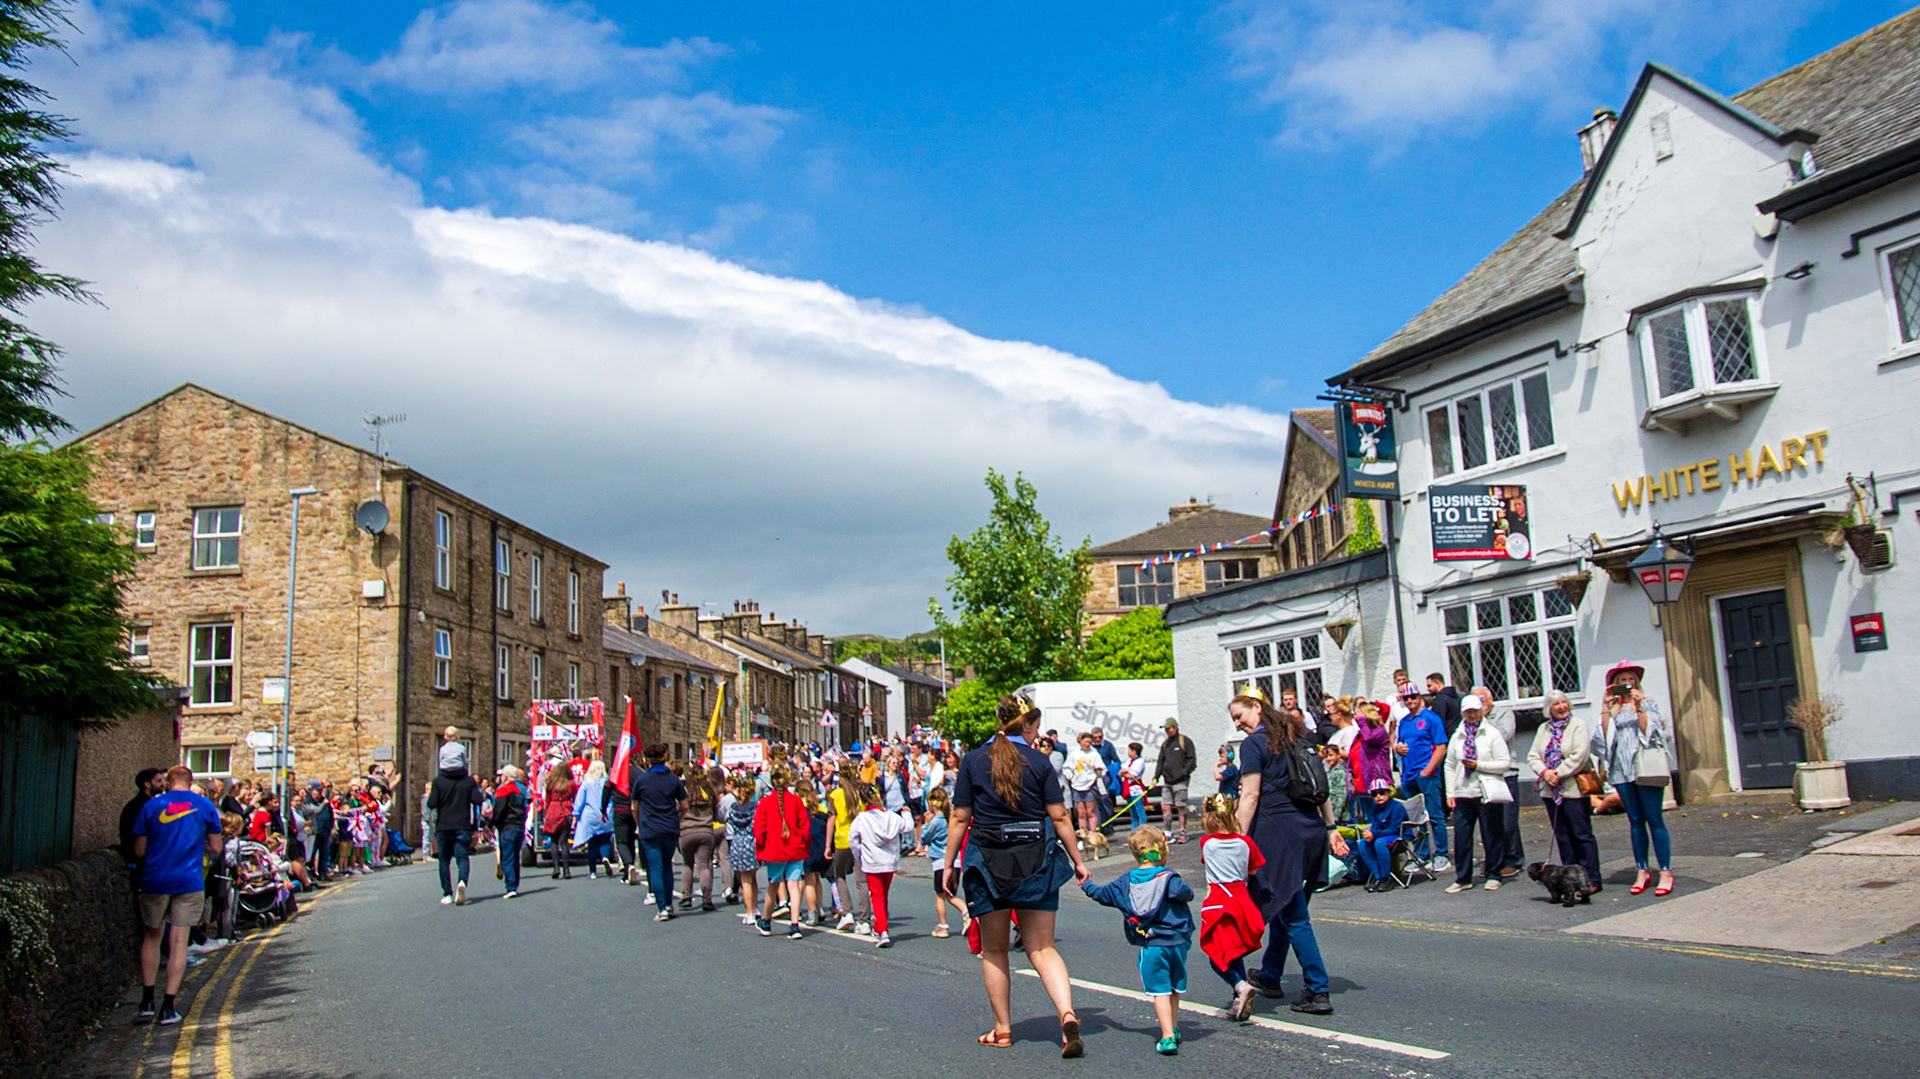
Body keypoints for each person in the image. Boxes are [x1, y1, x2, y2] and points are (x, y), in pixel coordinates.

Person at [942, 694, 1090, 1056]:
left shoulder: (975, 760)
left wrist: (948, 865)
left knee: (994, 949)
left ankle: (1003, 1030)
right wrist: (1078, 859)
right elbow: (1059, 816)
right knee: (1042, 947)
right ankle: (1067, 1014)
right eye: (1035, 724)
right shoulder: (1039, 762)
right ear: (1025, 725)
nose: (1037, 731)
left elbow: (960, 816)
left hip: (987, 860)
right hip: (1035, 859)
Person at [1231, 685, 1345, 1015]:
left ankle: (1318, 989)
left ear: (1255, 707)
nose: (1238, 723)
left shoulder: (1254, 745)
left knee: (1294, 916)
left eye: (1239, 716)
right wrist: (1331, 828)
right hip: (1309, 832)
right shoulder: (1298, 736)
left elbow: (1250, 797)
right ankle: (1270, 975)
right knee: (1284, 905)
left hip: (1279, 836)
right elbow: (1319, 789)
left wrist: (1236, 840)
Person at [1080, 825, 1194, 1056]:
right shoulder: (1168, 878)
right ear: (1162, 852)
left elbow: (1102, 895)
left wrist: (1086, 884)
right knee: (1173, 987)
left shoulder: (1126, 883)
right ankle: (1172, 1024)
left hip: (1151, 943)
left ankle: (1167, 1036)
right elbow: (1187, 893)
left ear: (1135, 854)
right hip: (1177, 941)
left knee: (1159, 989)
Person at [132, 766, 222, 1025]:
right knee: (179, 941)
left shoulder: (152, 806)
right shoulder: (204, 806)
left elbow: (139, 851)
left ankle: (147, 1001)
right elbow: (215, 847)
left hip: (155, 878)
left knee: (152, 935)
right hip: (189, 879)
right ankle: (169, 1006)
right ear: (190, 781)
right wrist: (195, 845)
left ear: (168, 782)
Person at [1601, 660, 1676, 897]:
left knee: (1654, 819)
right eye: (1621, 681)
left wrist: (1639, 704)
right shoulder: (1613, 709)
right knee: (1635, 820)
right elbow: (1602, 736)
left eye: (1630, 679)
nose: (1626, 684)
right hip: (1622, 770)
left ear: (1636, 682)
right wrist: (1605, 706)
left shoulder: (1647, 703)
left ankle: (1665, 871)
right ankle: (1642, 869)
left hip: (1645, 767)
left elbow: (1650, 731)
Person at [1198, 794, 1264, 1023]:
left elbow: (1206, 862)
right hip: (1241, 899)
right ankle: (1239, 997)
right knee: (1232, 950)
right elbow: (1254, 870)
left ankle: (1240, 986)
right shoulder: (1246, 842)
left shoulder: (1206, 843)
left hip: (1218, 900)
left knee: (1217, 955)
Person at [1528, 691, 1602, 892]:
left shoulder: (1578, 725)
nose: (1561, 707)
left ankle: (1591, 879)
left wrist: (1557, 773)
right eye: (1556, 704)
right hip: (1551, 792)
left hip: (1573, 789)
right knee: (1562, 836)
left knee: (1582, 834)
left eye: (1564, 703)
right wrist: (1545, 772)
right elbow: (1533, 756)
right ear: (1549, 709)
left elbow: (1580, 755)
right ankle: (1570, 880)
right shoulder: (1544, 729)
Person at [1442, 695, 1511, 894]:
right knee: (1462, 837)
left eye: (1474, 711)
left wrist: (1480, 765)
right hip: (1464, 792)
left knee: (1491, 834)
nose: (1471, 715)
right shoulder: (1458, 735)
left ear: (1481, 711)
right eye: (1468, 711)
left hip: (1485, 791)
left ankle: (1493, 873)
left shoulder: (1491, 733)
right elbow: (1449, 764)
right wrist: (1450, 792)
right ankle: (1463, 877)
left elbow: (1504, 763)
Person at [848, 782, 912, 948]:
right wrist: (907, 815)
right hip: (889, 861)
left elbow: (853, 839)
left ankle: (882, 929)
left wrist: (859, 854)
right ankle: (880, 924)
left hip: (872, 862)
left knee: (876, 895)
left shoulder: (862, 819)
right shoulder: (891, 816)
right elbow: (908, 826)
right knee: (883, 894)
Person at [1393, 687, 1449, 872]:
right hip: (1409, 775)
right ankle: (1421, 854)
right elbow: (1401, 744)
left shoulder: (1431, 718)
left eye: (1412, 697)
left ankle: (1442, 853)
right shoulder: (1404, 722)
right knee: (1415, 818)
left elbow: (1441, 747)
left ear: (1419, 697)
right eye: (1406, 698)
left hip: (1426, 774)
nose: (1409, 701)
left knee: (1435, 814)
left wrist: (1428, 770)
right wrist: (1398, 749)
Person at [631, 743, 689, 919]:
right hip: (669, 826)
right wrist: (677, 818)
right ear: (665, 759)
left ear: (647, 760)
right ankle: (670, 905)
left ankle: (661, 907)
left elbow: (634, 807)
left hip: (649, 827)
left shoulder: (642, 780)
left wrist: (639, 824)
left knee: (655, 868)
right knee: (667, 867)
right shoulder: (673, 780)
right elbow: (685, 805)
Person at [1473, 684, 1526, 876]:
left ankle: (1513, 859)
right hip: (1484, 775)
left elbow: (1504, 736)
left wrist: (1483, 719)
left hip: (1506, 773)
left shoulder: (1504, 714)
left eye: (1482, 700)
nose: (1479, 705)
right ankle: (1494, 861)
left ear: (1491, 699)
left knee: (1507, 821)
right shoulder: (1472, 720)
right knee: (1489, 822)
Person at [754, 764, 811, 939]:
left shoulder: (765, 802)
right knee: (794, 885)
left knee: (773, 885)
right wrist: (803, 843)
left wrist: (760, 849)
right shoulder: (796, 801)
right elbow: (804, 826)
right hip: (794, 848)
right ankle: (795, 925)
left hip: (775, 849)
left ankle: (766, 921)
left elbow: (759, 829)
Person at [429, 752, 484, 906]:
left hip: (444, 825)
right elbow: (478, 800)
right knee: (462, 857)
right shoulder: (468, 781)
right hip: (462, 824)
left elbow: (431, 803)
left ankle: (447, 893)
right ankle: (462, 882)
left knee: (444, 860)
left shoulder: (438, 782)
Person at [1355, 780, 1407, 891]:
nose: (1378, 796)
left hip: (1398, 836)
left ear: (1388, 793)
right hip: (1381, 835)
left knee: (1379, 843)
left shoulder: (1397, 807)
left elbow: (1395, 829)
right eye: (1374, 794)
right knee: (1363, 843)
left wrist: (1374, 834)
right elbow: (1375, 826)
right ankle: (1378, 877)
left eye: (1382, 793)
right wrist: (1370, 834)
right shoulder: (1375, 808)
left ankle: (1386, 878)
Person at [678, 772, 720, 910]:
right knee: (704, 865)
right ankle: (706, 899)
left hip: (687, 831)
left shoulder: (685, 791)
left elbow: (679, 808)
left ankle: (686, 896)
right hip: (706, 831)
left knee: (687, 864)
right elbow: (716, 811)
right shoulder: (709, 793)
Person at [1154, 719, 1197, 842]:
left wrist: (1183, 773)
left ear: (1175, 727)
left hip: (1180, 781)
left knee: (1180, 806)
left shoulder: (1185, 741)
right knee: (1165, 806)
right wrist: (1156, 777)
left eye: (1169, 728)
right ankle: (1168, 832)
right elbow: (1161, 761)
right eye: (1166, 729)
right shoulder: (1165, 744)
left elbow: (1191, 760)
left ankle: (1183, 831)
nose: (1167, 731)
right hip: (1167, 781)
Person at [725, 774, 761, 924]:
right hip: (751, 841)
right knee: (753, 877)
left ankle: (749, 912)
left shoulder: (733, 808)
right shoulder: (755, 807)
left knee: (745, 879)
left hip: (738, 841)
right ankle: (755, 907)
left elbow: (726, 819)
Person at [119, 767, 167, 878]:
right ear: (147, 784)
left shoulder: (147, 804)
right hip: (140, 863)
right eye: (158, 781)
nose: (163, 784)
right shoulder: (141, 806)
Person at [572, 760, 616, 879]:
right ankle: (605, 857)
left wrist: (576, 814)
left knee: (592, 844)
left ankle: (593, 872)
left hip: (590, 815)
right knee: (605, 840)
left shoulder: (586, 783)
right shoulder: (607, 783)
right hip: (605, 814)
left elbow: (580, 800)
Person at [922, 787, 955, 938]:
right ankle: (967, 914)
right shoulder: (951, 818)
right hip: (955, 860)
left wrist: (925, 824)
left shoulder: (936, 821)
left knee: (941, 895)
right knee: (951, 894)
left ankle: (943, 925)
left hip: (941, 861)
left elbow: (924, 838)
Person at [491, 766, 528, 898]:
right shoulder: (520, 792)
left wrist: (493, 823)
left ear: (505, 777)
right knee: (515, 858)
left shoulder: (503, 791)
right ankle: (515, 884)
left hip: (507, 827)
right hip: (519, 826)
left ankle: (511, 886)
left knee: (507, 858)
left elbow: (498, 811)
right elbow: (524, 809)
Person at [1064, 732, 1104, 851]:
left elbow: (1102, 768)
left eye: (1089, 742)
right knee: (1081, 814)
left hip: (1090, 785)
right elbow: (1067, 767)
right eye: (1085, 741)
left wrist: (1098, 771)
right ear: (1080, 741)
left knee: (1091, 812)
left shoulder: (1094, 754)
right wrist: (1070, 776)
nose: (1088, 744)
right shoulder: (1075, 754)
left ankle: (1092, 835)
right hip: (1077, 785)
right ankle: (1082, 837)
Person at [541, 762, 577, 880]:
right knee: (564, 842)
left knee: (554, 841)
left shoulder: (551, 783)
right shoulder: (570, 784)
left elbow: (547, 799)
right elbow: (574, 797)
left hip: (553, 810)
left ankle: (556, 868)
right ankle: (566, 870)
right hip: (566, 810)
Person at [1120, 743, 1150, 830]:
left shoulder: (1140, 762)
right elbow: (1121, 773)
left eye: (1129, 750)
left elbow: (1133, 776)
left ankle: (1143, 831)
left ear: (1134, 751)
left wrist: (1125, 773)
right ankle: (1134, 833)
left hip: (1136, 790)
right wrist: (1124, 773)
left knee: (1140, 812)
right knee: (1133, 814)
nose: (1128, 752)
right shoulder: (1129, 761)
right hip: (1128, 790)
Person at [1426, 673, 1463, 737]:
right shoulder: (1456, 696)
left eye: (1429, 686)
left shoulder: (1440, 699)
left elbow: (1438, 723)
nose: (1427, 689)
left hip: (1446, 738)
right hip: (1458, 735)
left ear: (1438, 683)